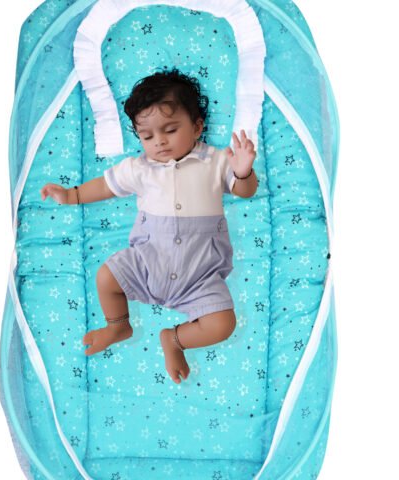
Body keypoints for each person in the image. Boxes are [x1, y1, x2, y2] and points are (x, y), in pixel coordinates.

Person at [40, 68, 258, 384]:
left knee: (223, 324)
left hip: (200, 274)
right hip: (149, 261)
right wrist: (71, 195)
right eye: (148, 136)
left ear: (197, 127)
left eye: (170, 130)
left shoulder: (215, 161)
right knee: (106, 277)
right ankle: (118, 325)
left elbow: (245, 191)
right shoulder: (139, 169)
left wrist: (243, 172)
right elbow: (105, 186)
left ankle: (175, 339)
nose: (160, 142)